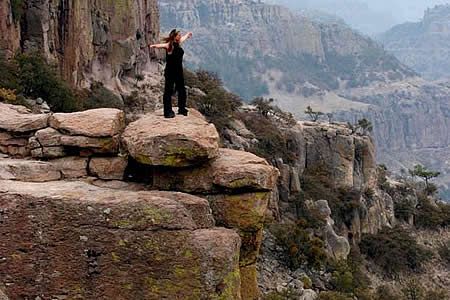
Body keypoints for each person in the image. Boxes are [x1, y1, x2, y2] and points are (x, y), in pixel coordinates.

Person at [149, 29, 193, 118]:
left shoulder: (178, 43)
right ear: (174, 36)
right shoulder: (169, 45)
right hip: (170, 72)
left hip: (179, 71)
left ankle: (182, 109)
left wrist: (187, 35)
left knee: (182, 90)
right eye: (178, 35)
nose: (180, 36)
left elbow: (183, 39)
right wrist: (153, 46)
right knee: (168, 91)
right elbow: (161, 45)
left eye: (180, 35)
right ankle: (168, 112)